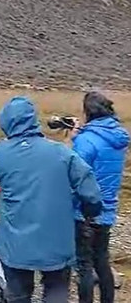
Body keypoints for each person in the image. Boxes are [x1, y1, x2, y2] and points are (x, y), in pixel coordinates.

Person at [0, 96, 103, 303]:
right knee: (56, 290)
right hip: (57, 238)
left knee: (18, 294)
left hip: (15, 240)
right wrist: (90, 211)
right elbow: (90, 189)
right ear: (33, 120)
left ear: (6, 123)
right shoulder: (62, 153)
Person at [71, 92, 129, 303]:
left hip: (84, 210)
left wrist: (76, 139)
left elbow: (76, 173)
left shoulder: (86, 140)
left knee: (84, 266)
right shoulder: (119, 137)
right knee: (102, 261)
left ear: (88, 112)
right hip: (108, 207)